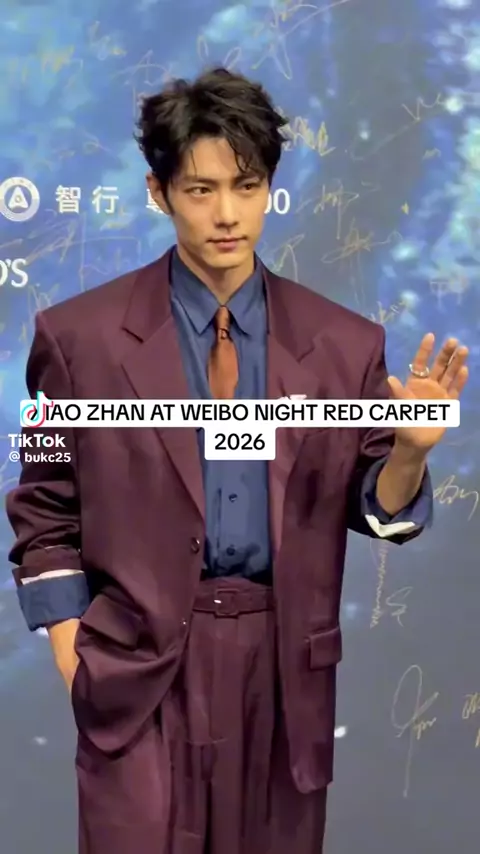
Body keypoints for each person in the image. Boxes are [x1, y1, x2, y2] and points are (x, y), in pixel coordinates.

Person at [6, 67, 468, 854]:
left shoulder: (343, 344)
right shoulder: (78, 340)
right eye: (201, 190)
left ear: (269, 190)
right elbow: (44, 505)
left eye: (246, 187)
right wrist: (72, 650)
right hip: (137, 663)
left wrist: (409, 453)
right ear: (158, 192)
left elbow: (380, 508)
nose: (227, 214)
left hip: (282, 668)